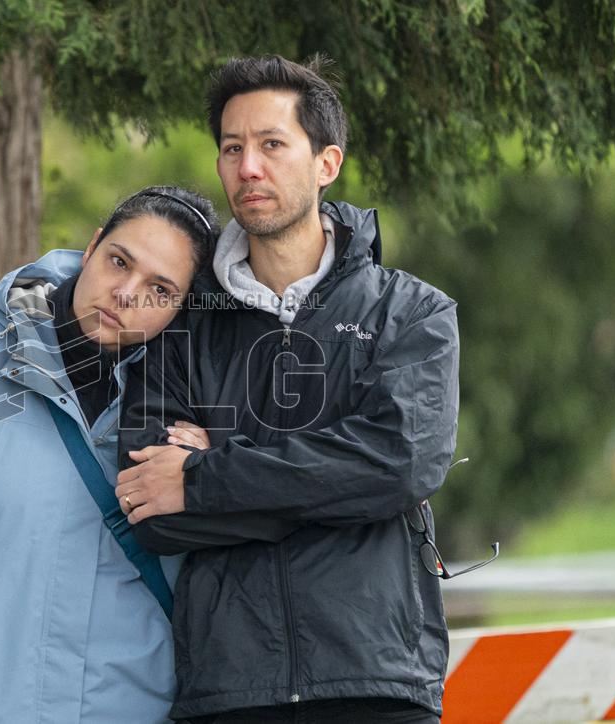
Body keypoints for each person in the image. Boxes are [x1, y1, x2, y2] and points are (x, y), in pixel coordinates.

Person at [0, 186, 282, 723]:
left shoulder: (193, 415)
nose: (126, 294)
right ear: (91, 248)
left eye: (159, 289)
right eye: (119, 262)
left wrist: (209, 469)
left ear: (180, 310)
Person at [116, 56, 461, 723]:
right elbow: (150, 507)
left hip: (377, 682)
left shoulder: (411, 313)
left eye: (272, 145)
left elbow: (399, 466)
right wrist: (338, 478)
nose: (249, 167)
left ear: (325, 163)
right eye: (232, 148)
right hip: (228, 689)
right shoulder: (181, 324)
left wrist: (208, 470)